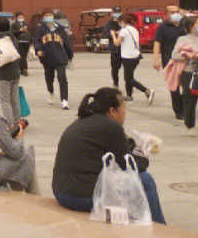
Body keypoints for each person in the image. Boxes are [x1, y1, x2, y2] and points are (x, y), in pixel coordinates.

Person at [52, 87, 166, 224]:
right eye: (123, 108)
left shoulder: (84, 121)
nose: (125, 112)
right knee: (146, 180)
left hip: (61, 191)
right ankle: (160, 228)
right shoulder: (111, 127)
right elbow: (129, 167)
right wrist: (144, 157)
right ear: (112, 111)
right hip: (79, 197)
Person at [152, 5, 186, 121]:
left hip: (185, 59)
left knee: (188, 84)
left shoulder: (185, 25)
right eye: (172, 12)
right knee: (174, 86)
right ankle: (179, 111)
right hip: (169, 59)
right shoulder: (162, 27)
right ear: (167, 14)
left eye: (177, 11)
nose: (176, 13)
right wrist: (156, 59)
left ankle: (185, 105)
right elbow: (157, 43)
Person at [33, 9, 72, 109]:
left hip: (60, 57)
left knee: (62, 78)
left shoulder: (60, 29)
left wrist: (70, 55)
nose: (48, 17)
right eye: (46, 15)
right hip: (47, 58)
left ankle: (64, 100)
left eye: (50, 15)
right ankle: (50, 92)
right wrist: (38, 50)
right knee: (49, 78)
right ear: (43, 18)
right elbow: (37, 41)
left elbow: (67, 43)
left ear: (53, 16)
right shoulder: (41, 29)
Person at [115, 13, 154, 105]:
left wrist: (113, 35)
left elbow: (117, 43)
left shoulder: (123, 31)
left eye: (120, 22)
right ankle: (129, 96)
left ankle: (146, 90)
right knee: (129, 77)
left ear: (123, 22)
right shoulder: (134, 30)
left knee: (128, 79)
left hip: (128, 57)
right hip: (136, 56)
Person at [0, 19, 22, 123]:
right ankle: (17, 122)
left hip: (3, 75)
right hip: (15, 73)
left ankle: (9, 124)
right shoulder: (13, 39)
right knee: (15, 100)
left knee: (4, 100)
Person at [104, 7, 123, 88]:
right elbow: (106, 34)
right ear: (112, 13)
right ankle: (115, 84)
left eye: (119, 12)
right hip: (115, 50)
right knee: (115, 68)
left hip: (125, 49)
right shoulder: (109, 23)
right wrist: (114, 34)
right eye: (115, 12)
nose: (117, 13)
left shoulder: (123, 22)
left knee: (128, 69)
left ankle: (129, 84)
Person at [12, 12, 31, 76]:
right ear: (16, 18)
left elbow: (30, 32)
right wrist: (20, 30)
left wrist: (31, 41)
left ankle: (22, 69)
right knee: (22, 55)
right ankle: (24, 69)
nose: (21, 18)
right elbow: (12, 32)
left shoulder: (26, 24)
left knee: (24, 56)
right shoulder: (14, 24)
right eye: (19, 17)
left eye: (22, 17)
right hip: (19, 42)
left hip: (26, 41)